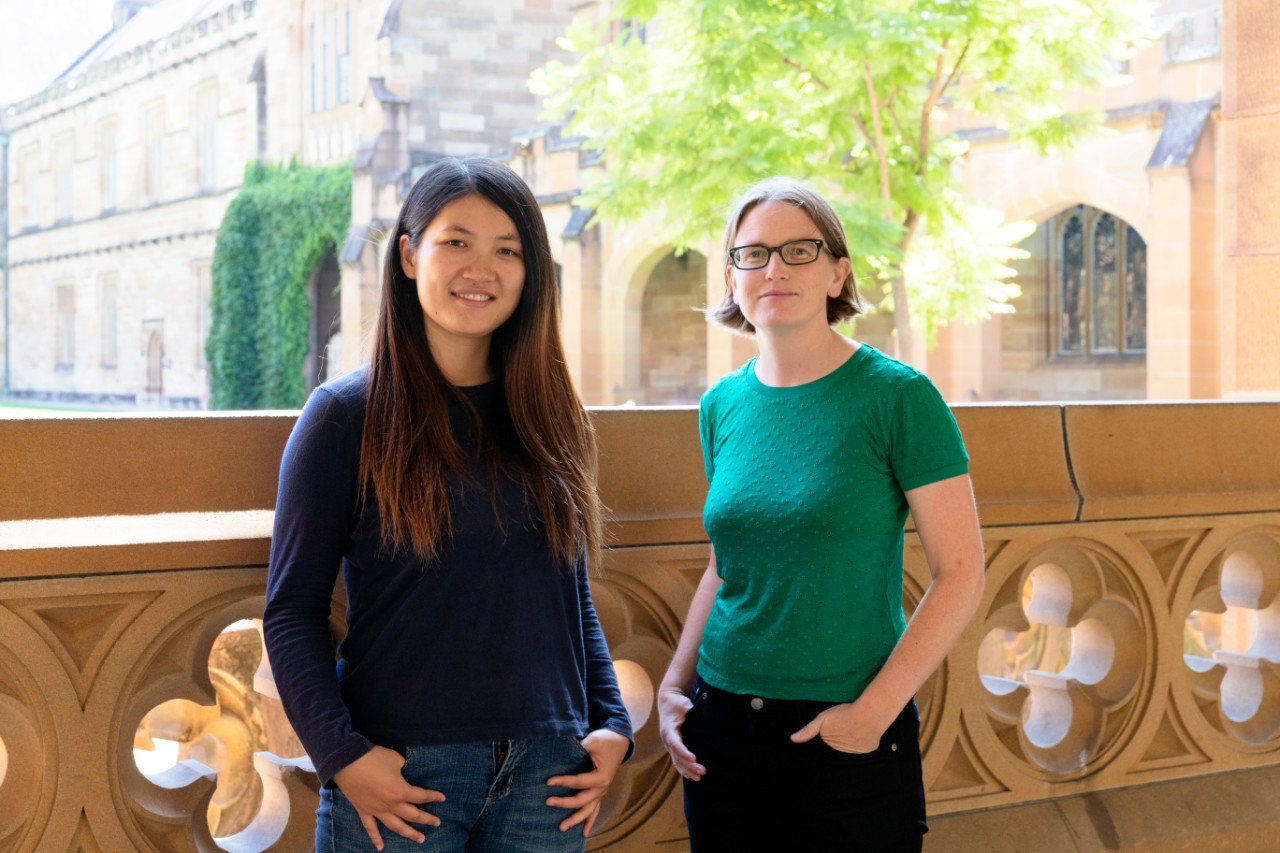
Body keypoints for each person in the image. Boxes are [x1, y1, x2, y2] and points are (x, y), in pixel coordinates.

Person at [263, 157, 633, 853]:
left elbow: (566, 590)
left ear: (531, 272)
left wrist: (611, 720)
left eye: (507, 249)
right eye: (456, 242)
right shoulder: (344, 415)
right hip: (403, 773)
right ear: (408, 254)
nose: (481, 268)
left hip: (550, 773)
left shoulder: (553, 416)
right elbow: (292, 610)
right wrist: (342, 755)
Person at [657, 178, 985, 852]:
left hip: (845, 729)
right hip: (719, 729)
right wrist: (673, 682)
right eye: (753, 254)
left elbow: (961, 571)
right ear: (732, 277)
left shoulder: (899, 397)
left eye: (798, 251)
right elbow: (727, 562)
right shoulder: (720, 405)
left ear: (838, 272)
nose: (773, 269)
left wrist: (873, 713)